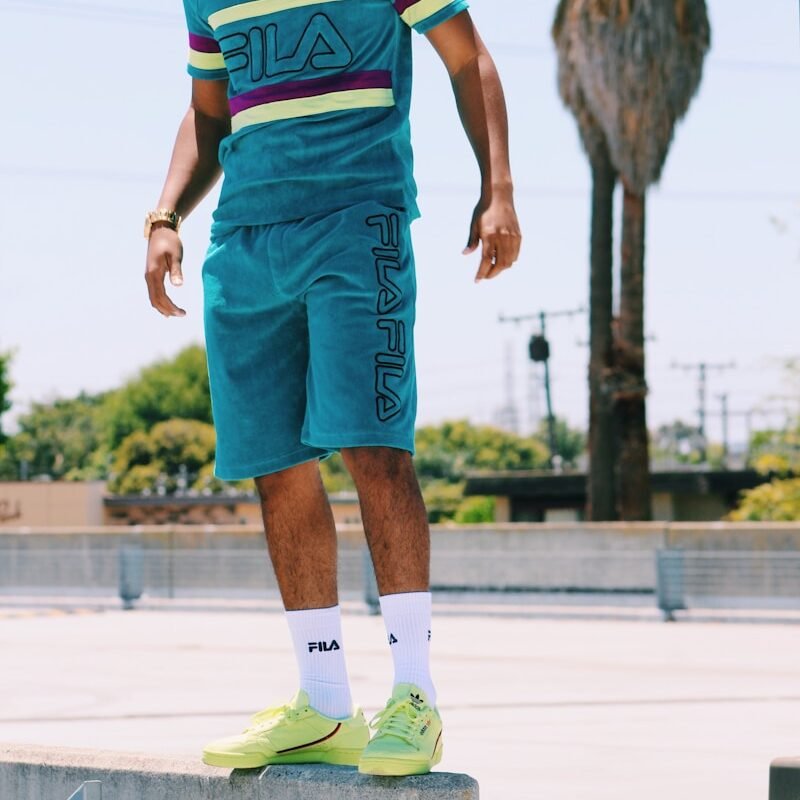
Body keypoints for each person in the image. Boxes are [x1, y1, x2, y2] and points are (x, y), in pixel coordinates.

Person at [144, 0, 521, 777]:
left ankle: (415, 698)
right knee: (277, 469)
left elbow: (467, 56)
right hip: (245, 242)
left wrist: (498, 190)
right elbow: (208, 112)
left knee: (372, 449)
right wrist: (165, 213)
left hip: (358, 221)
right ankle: (322, 705)